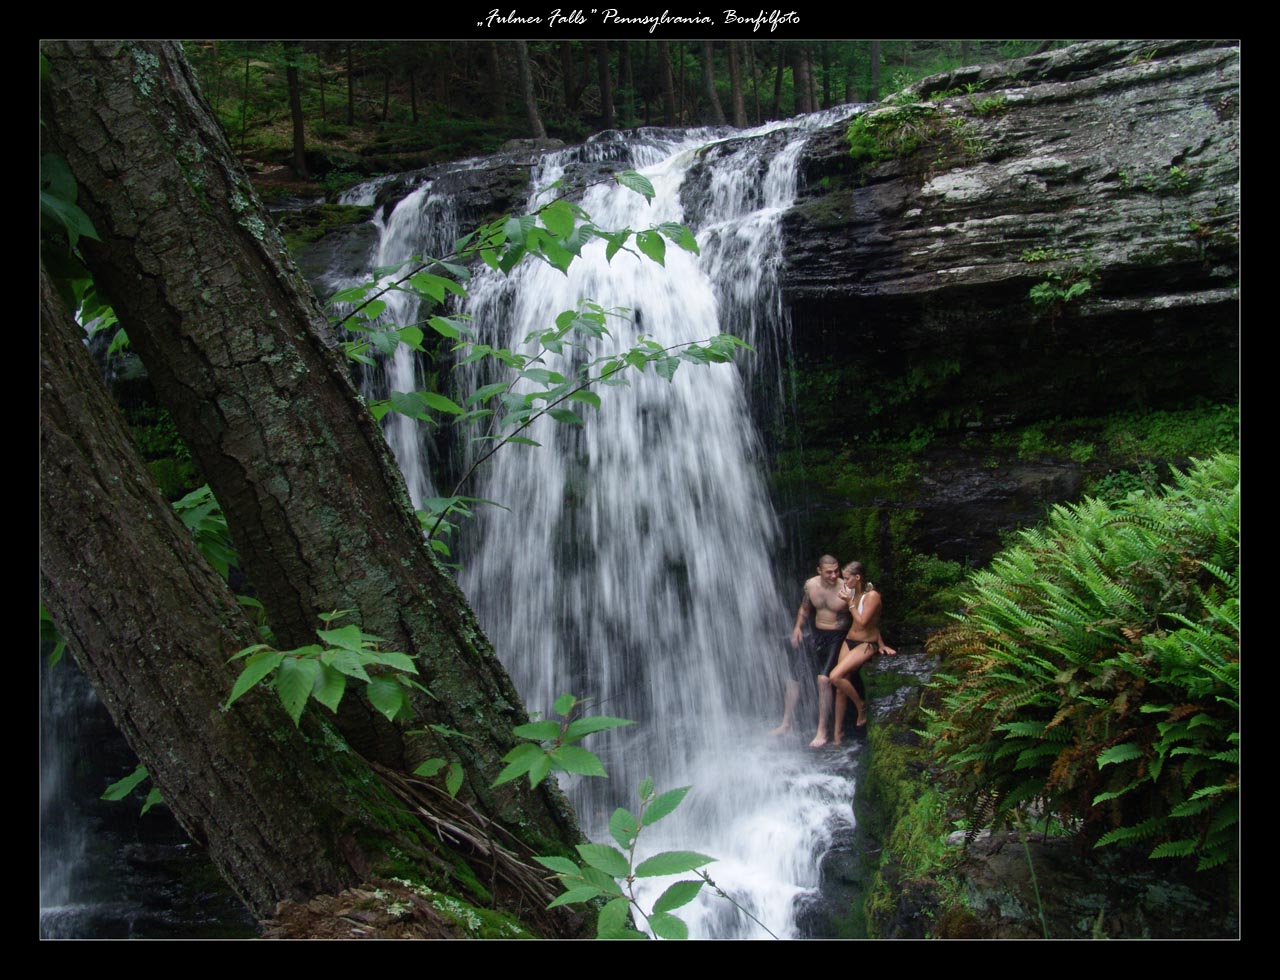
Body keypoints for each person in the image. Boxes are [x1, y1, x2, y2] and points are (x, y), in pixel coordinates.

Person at [772, 555, 863, 747]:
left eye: (836, 571)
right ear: (819, 571)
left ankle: (822, 731)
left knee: (823, 679)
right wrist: (797, 627)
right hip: (816, 634)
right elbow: (805, 609)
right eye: (829, 572)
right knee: (793, 677)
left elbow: (861, 617)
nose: (834, 575)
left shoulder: (847, 589)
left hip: (837, 636)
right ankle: (785, 723)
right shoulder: (811, 585)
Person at [829, 561, 897, 731]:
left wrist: (850, 603)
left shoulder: (872, 596)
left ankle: (861, 706)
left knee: (834, 676)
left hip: (865, 644)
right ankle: (837, 735)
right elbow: (873, 624)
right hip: (849, 640)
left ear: (857, 577)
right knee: (840, 687)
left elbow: (864, 623)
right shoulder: (854, 593)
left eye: (847, 578)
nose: (844, 582)